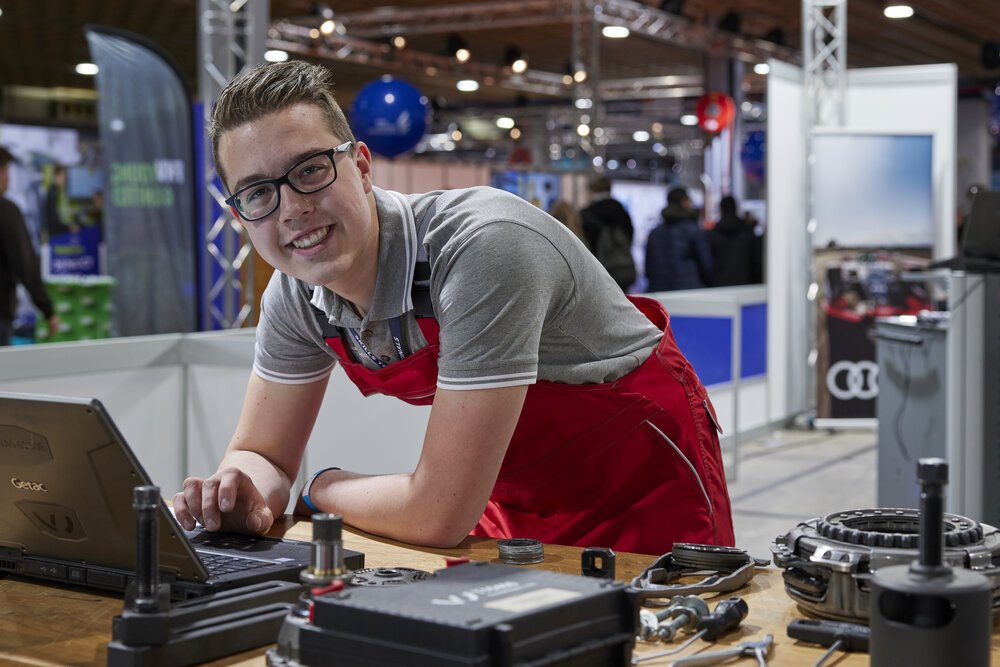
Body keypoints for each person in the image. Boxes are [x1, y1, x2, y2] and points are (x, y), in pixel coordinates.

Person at [173, 61, 733, 555]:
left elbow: (438, 512)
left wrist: (323, 487)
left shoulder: (482, 248)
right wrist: (239, 491)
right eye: (257, 193)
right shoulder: (297, 295)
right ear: (239, 214)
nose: (292, 208)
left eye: (311, 170)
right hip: (510, 492)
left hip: (642, 480)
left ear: (362, 167)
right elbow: (264, 455)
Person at [0, 147, 59, 345]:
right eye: (5, 171)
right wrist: (47, 309)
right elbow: (25, 264)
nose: (8, 179)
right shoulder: (6, 212)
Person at [645, 186, 713, 291]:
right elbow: (706, 265)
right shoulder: (694, 231)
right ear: (684, 201)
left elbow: (649, 269)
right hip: (689, 292)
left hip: (659, 292)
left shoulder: (654, 233)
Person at [579, 176, 636, 290]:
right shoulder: (621, 211)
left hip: (597, 271)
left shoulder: (587, 214)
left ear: (592, 190)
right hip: (621, 268)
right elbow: (630, 235)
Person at [708, 195, 762, 286]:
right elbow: (757, 261)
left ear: (721, 210)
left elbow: (708, 263)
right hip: (746, 284)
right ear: (735, 208)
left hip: (720, 284)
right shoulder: (747, 232)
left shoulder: (713, 235)